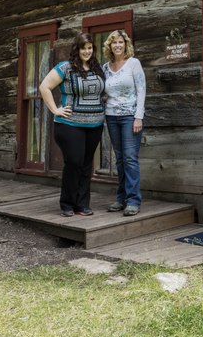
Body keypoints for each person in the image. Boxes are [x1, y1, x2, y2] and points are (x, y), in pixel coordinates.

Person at [38, 33, 105, 217]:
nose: (87, 51)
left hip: (95, 125)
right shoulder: (65, 68)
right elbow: (44, 87)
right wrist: (55, 110)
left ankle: (82, 205)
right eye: (84, 47)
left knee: (85, 164)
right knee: (74, 162)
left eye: (90, 47)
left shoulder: (97, 68)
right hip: (69, 124)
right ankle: (67, 203)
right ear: (77, 49)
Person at [102, 29, 146, 216]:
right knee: (119, 160)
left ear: (126, 44)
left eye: (121, 42)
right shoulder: (105, 67)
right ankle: (121, 199)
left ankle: (133, 200)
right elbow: (104, 92)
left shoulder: (133, 64)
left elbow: (141, 90)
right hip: (111, 117)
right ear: (110, 46)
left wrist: (139, 117)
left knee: (130, 158)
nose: (118, 45)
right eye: (114, 42)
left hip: (130, 117)